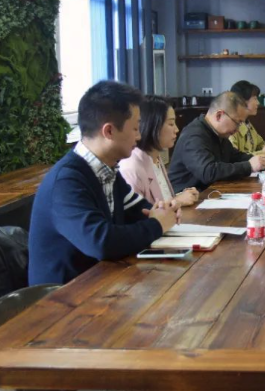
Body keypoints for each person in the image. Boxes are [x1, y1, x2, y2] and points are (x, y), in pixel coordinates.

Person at [28, 81, 179, 285]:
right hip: (64, 296)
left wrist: (163, 211)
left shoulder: (108, 170)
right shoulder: (66, 181)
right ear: (109, 131)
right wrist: (157, 224)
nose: (139, 135)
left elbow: (139, 210)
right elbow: (101, 242)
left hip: (101, 282)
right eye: (135, 128)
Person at [168, 92, 265, 192]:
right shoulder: (194, 135)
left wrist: (263, 161)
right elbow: (208, 172)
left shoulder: (217, 133)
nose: (238, 129)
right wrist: (249, 166)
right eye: (237, 122)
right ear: (219, 115)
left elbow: (235, 157)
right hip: (188, 200)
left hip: (209, 192)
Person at [119, 96, 199, 208]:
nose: (176, 129)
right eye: (171, 124)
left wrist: (181, 196)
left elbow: (162, 199)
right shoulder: (132, 168)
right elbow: (139, 216)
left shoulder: (155, 157)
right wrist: (177, 201)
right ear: (152, 125)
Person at [228, 80, 265, 156]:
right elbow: (235, 158)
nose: (258, 103)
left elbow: (260, 143)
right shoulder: (231, 127)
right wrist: (263, 153)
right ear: (242, 101)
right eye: (255, 98)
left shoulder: (247, 122)